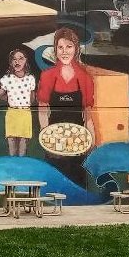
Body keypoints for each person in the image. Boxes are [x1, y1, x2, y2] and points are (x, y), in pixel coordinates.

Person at [37, 27, 95, 186]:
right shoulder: (47, 75)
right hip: (54, 141)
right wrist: (46, 137)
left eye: (69, 46)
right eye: (60, 47)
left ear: (76, 49)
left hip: (78, 142)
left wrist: (91, 140)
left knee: (78, 184)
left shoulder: (85, 77)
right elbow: (43, 109)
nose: (64, 51)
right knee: (54, 184)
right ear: (55, 49)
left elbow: (88, 113)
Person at [0, 48, 37, 157]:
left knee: (23, 143)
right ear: (11, 62)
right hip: (12, 113)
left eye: (21, 59)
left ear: (26, 61)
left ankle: (21, 168)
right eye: (14, 59)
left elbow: (32, 98)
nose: (17, 62)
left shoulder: (30, 79)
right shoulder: (7, 78)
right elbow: (1, 94)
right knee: (11, 143)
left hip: (25, 113)